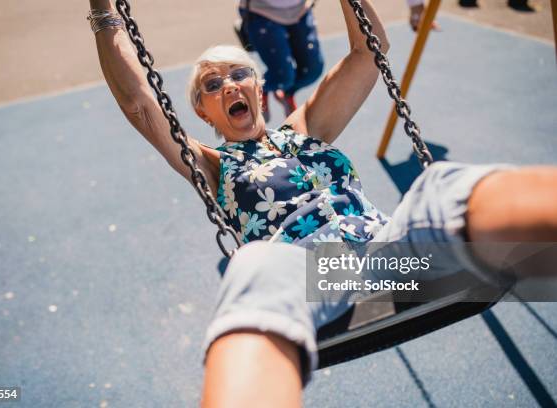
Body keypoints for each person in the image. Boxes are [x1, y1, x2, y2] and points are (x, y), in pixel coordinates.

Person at [88, 0, 557, 405]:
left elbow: (368, 51)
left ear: (257, 86)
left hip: (389, 257)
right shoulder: (211, 164)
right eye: (213, 86)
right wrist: (104, 11)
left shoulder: (307, 127)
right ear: (202, 111)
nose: (229, 86)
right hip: (316, 277)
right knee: (254, 266)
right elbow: (139, 104)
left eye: (238, 75)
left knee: (442, 188)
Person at [238, 0, 324, 121]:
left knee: (312, 71)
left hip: (301, 8)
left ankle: (286, 92)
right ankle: (262, 89)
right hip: (262, 11)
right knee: (283, 77)